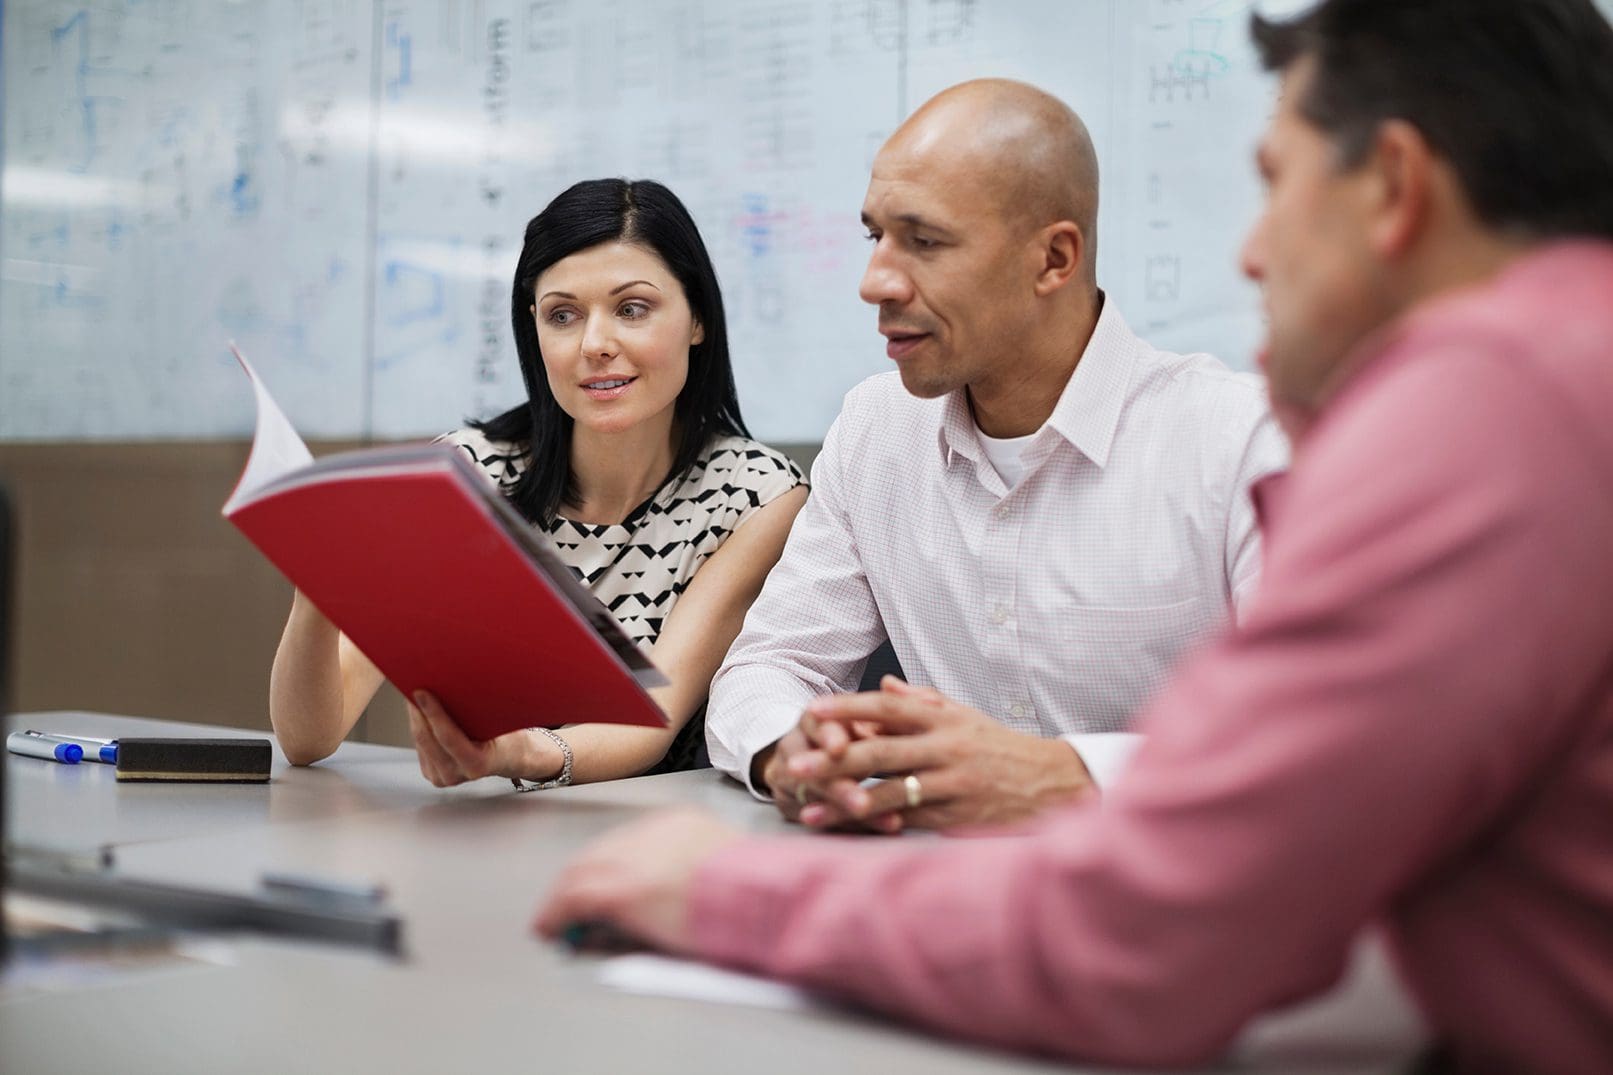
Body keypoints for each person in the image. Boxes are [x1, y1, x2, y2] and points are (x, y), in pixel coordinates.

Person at [536, 1, 1613, 1071]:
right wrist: (795, 752)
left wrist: (723, 890)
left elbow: (1160, 939)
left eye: (1276, 182)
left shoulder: (1484, 406)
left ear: (1391, 185)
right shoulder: (1556, 372)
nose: (1248, 254)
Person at [706, 79, 1286, 831]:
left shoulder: (1238, 440)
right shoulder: (874, 429)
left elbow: (1309, 731)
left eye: (923, 241)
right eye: (873, 235)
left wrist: (1067, 776)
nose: (873, 281)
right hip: (941, 897)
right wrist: (795, 750)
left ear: (1053, 259)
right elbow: (769, 666)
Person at [270, 179, 808, 788]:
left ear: (698, 320)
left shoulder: (756, 495)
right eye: (563, 315)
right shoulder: (467, 475)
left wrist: (515, 754)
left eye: (632, 309)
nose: (596, 345)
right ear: (535, 329)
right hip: (482, 836)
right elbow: (308, 739)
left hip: (658, 841)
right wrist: (316, 594)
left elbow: (651, 716)